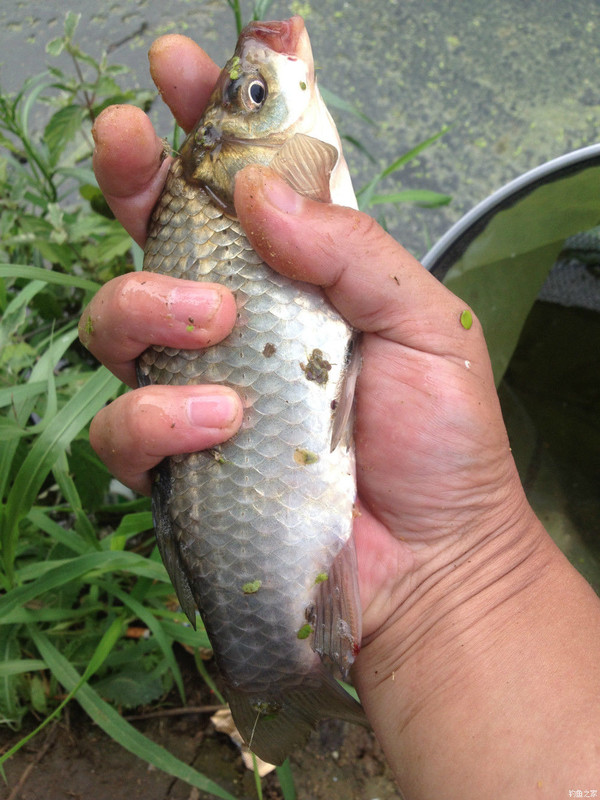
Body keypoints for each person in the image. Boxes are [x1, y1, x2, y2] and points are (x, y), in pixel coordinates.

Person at [81, 33, 600, 798]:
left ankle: (275, 676)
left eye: (252, 95)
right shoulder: (224, 195)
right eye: (252, 97)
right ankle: (274, 676)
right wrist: (448, 584)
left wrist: (458, 564)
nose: (268, 78)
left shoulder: (262, 196)